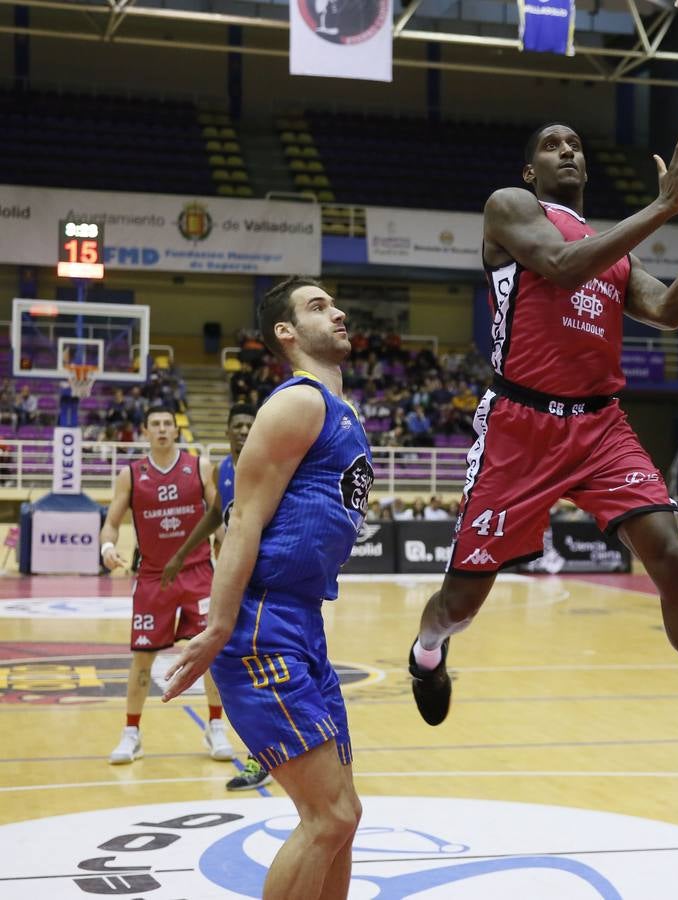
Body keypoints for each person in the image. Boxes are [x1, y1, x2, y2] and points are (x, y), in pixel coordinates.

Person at [406, 122, 678, 844]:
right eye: (551, 143)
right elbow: (561, 264)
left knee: (671, 556)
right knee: (463, 598)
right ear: (530, 166)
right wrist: (666, 208)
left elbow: (671, 311)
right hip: (520, 424)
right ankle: (428, 650)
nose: (568, 149)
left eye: (575, 142)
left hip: (600, 426)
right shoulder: (510, 209)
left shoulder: (614, 252)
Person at [163, 278, 373, 900]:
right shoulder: (298, 403)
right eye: (316, 307)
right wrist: (219, 627)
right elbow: (243, 519)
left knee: (345, 817)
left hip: (302, 621)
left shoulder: (340, 409)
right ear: (286, 333)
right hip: (262, 626)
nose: (336, 311)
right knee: (328, 816)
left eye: (335, 302)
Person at [100, 406, 234, 765]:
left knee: (211, 654)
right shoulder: (130, 475)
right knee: (142, 658)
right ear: (145, 431)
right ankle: (132, 733)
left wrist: (232, 550)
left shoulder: (198, 467)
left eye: (167, 425)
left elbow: (216, 518)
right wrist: (108, 546)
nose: (161, 430)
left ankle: (215, 726)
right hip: (153, 578)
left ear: (177, 431)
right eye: (155, 424)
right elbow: (111, 522)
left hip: (199, 575)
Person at [161, 402, 270, 792]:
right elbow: (215, 515)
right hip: (232, 582)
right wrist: (180, 554)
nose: (243, 430)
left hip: (265, 583)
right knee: (231, 665)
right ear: (227, 431)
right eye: (237, 424)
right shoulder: (222, 469)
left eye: (249, 424)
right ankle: (257, 744)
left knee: (257, 667)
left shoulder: (270, 462)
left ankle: (264, 753)